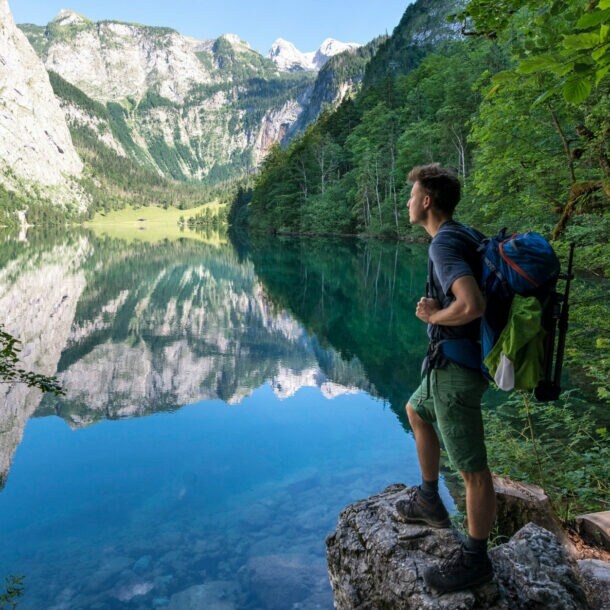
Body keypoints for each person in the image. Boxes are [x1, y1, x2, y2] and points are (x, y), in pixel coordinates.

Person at [396, 163, 496, 593]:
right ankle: (430, 499)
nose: (407, 202)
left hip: (457, 371)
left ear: (427, 201)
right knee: (415, 410)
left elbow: (471, 304)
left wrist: (435, 314)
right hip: (448, 365)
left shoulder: (444, 245)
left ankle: (476, 559)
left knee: (473, 470)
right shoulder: (461, 234)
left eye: (412, 194)